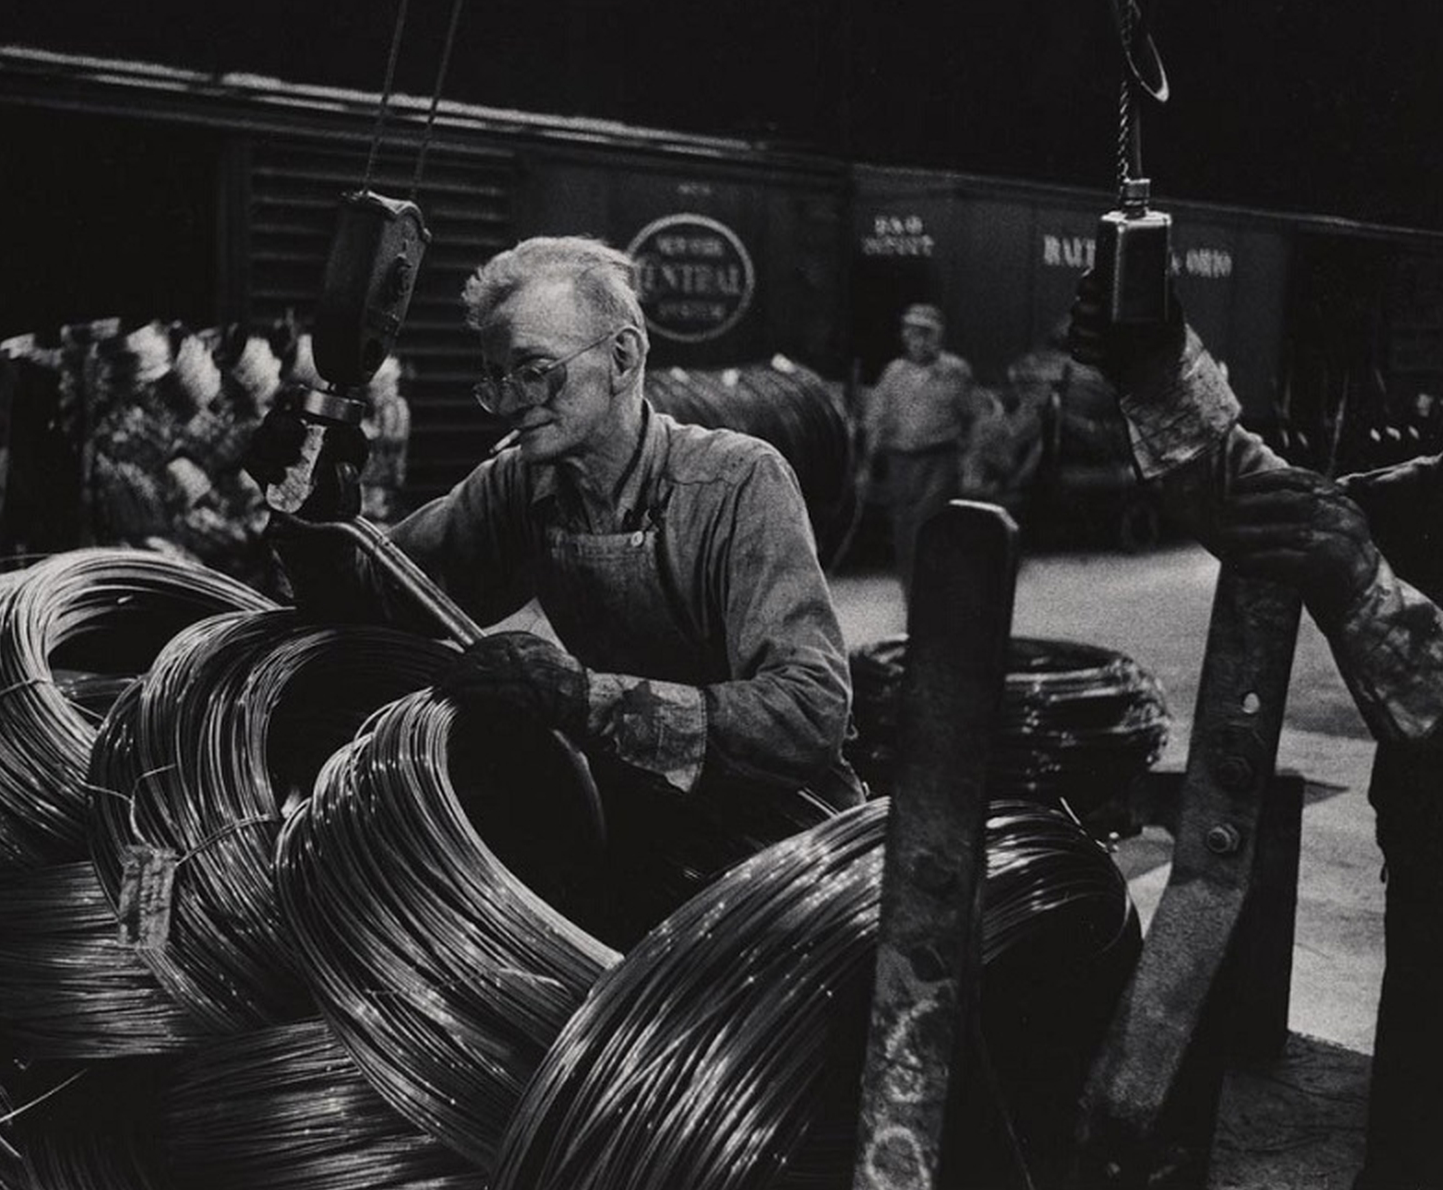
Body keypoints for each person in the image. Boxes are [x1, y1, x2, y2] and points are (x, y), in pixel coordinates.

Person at [1068, 275, 1443, 1190]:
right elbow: (1283, 512)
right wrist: (1159, 366)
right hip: (1439, 881)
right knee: (1419, 1144)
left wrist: (1364, 591)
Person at [249, 235, 862, 815]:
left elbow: (809, 712)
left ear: (622, 358)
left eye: (535, 370)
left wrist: (584, 698)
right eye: (495, 379)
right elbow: (373, 602)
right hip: (645, 813)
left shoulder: (736, 484)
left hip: (776, 834)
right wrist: (311, 514)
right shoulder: (519, 484)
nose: (513, 399)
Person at [861, 302, 982, 594]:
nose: (917, 340)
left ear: (938, 337)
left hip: (939, 460)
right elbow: (877, 421)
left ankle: (935, 596)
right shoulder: (894, 373)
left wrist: (971, 466)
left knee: (928, 527)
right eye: (911, 332)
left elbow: (975, 419)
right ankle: (913, 601)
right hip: (899, 462)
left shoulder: (955, 371)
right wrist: (865, 467)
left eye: (925, 333)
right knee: (903, 531)